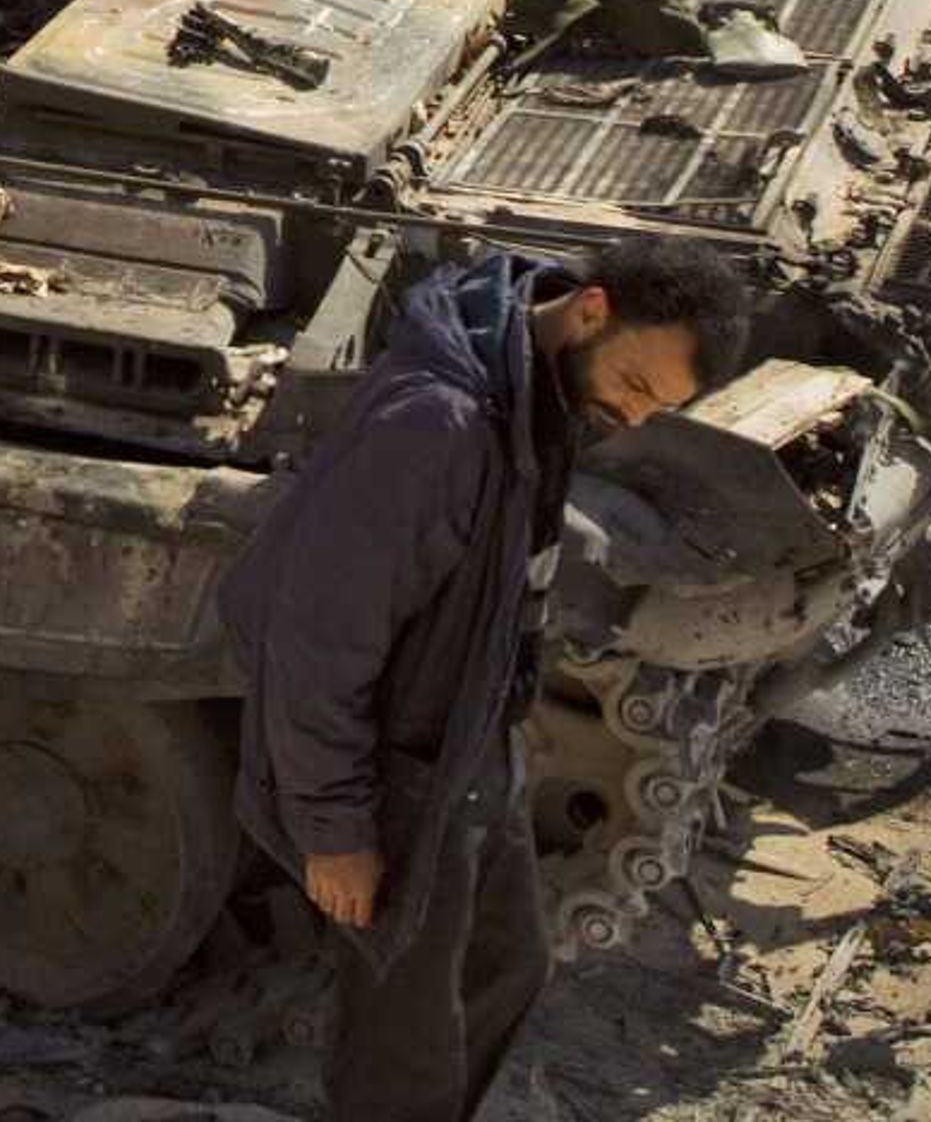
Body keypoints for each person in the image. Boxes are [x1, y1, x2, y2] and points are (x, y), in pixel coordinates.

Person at [220, 232, 750, 1122]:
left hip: (472, 748)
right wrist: (334, 829)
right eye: (634, 386)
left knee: (510, 964)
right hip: (400, 774)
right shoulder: (439, 424)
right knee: (404, 1043)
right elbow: (316, 642)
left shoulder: (534, 385)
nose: (634, 417)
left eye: (661, 406)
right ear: (591, 313)